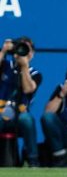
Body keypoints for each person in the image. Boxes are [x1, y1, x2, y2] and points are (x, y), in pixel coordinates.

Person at [0, 37, 40, 167]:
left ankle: (33, 161)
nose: (25, 52)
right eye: (22, 48)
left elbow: (28, 89)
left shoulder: (35, 73)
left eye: (28, 50)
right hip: (1, 113)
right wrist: (4, 51)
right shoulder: (5, 65)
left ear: (32, 54)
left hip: (20, 115)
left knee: (27, 119)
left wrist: (24, 67)